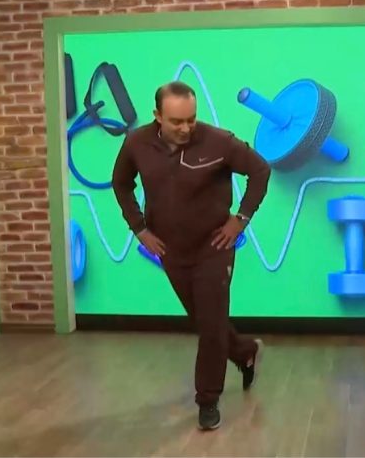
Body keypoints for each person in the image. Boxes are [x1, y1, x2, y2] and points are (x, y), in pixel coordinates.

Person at [111, 81, 272, 431]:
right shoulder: (137, 143)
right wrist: (139, 229)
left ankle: (208, 400)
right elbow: (121, 183)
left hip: (214, 247)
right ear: (157, 116)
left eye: (191, 119)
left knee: (211, 325)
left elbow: (260, 171)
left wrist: (240, 219)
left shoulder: (219, 141)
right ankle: (245, 352)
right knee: (204, 320)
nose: (186, 128)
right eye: (176, 121)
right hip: (171, 249)